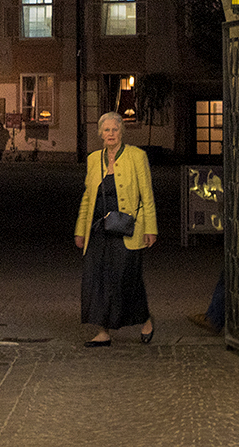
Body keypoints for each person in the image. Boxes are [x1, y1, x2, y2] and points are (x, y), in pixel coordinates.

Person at [74, 111, 157, 345]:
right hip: (98, 229)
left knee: (126, 279)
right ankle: (103, 332)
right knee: (97, 279)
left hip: (126, 228)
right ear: (100, 133)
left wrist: (150, 228)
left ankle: (144, 319)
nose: (111, 134)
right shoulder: (93, 159)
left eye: (115, 129)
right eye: (107, 130)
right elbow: (87, 197)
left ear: (122, 132)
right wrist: (80, 230)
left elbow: (147, 195)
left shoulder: (137, 156)